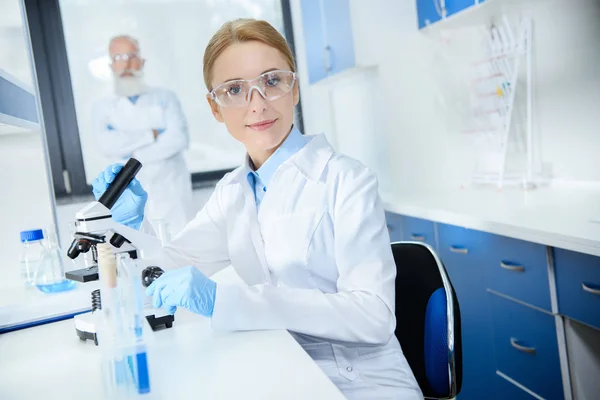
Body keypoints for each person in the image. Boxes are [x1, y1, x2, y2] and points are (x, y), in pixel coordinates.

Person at [92, 19, 422, 399]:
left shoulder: (347, 181)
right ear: (215, 108)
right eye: (234, 89)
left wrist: (226, 300)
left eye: (271, 81)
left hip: (361, 382)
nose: (257, 104)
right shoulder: (232, 192)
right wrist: (131, 225)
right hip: (282, 369)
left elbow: (373, 316)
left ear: (294, 88)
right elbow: (164, 271)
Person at [92, 34, 193, 235]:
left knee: (182, 249)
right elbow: (106, 145)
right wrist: (152, 134)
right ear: (111, 65)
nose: (126, 64)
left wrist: (132, 155)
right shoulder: (102, 107)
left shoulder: (165, 98)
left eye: (131, 55)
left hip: (170, 193)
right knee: (139, 249)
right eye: (118, 57)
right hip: (129, 195)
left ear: (142, 61)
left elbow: (178, 139)